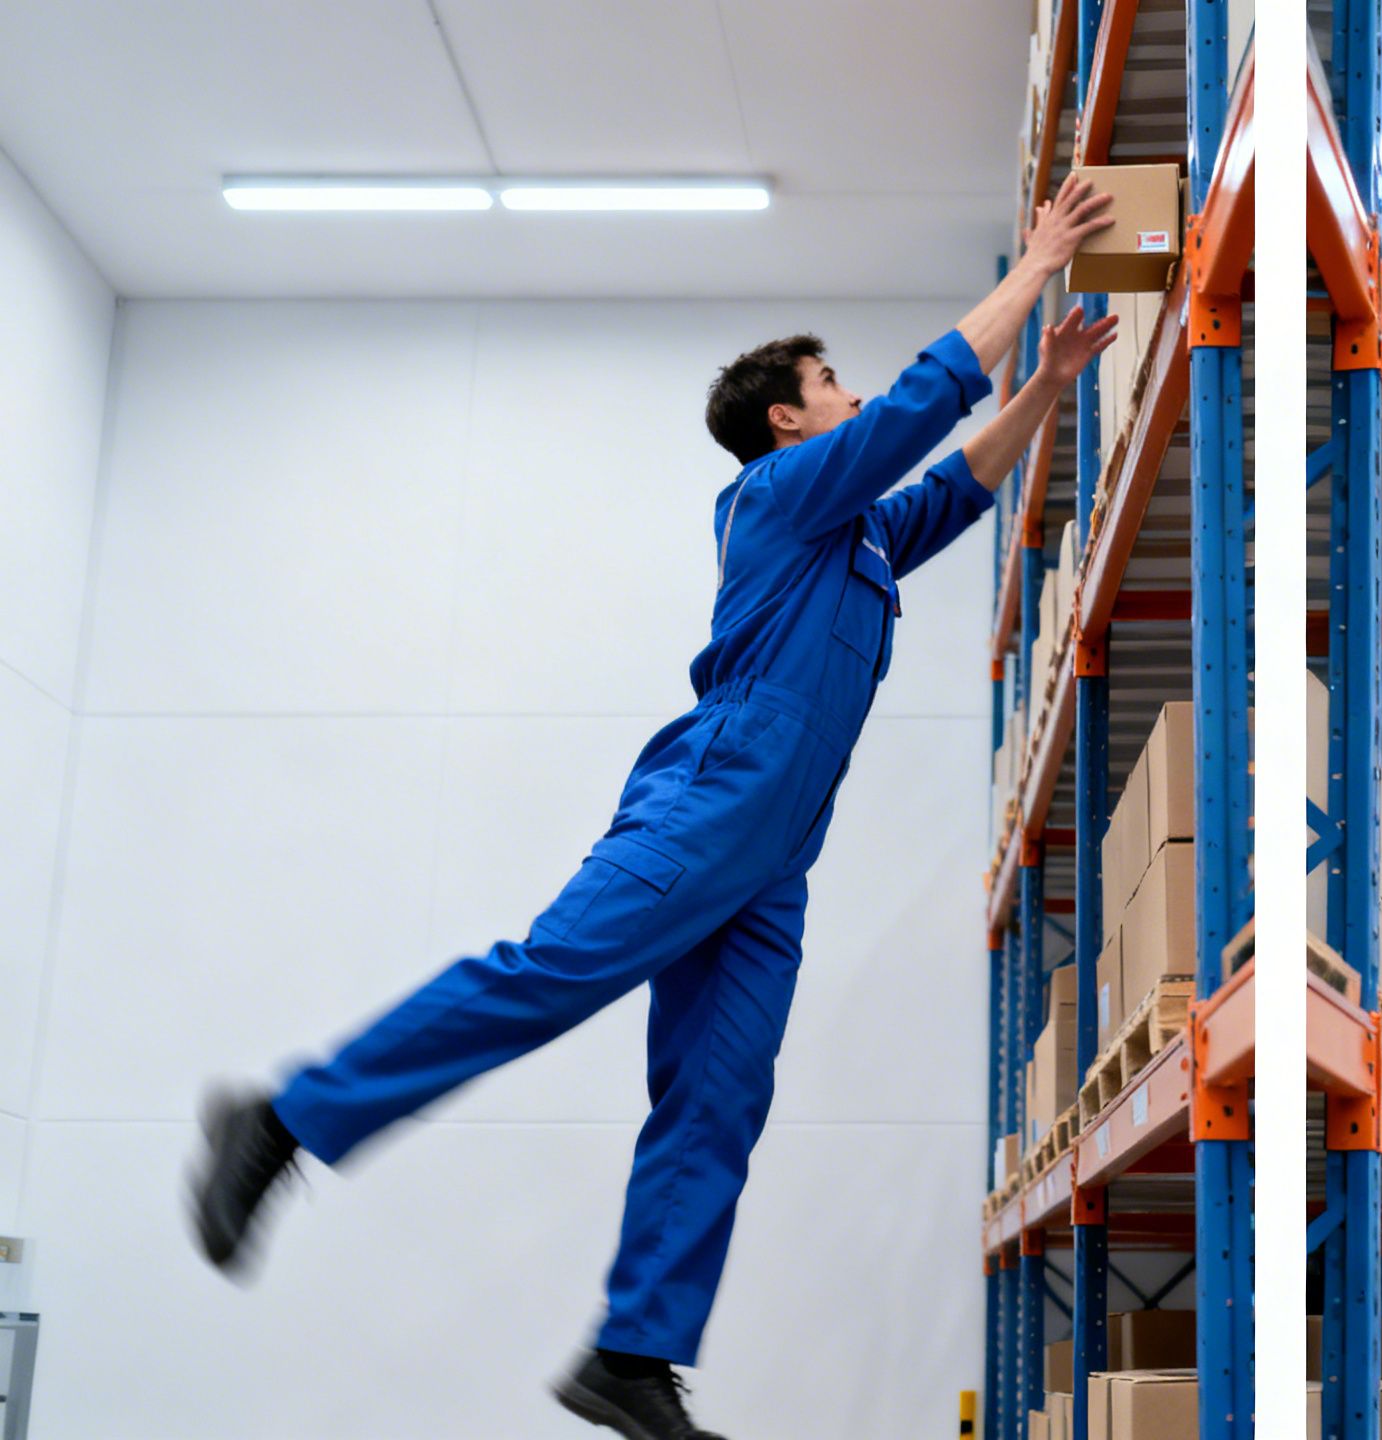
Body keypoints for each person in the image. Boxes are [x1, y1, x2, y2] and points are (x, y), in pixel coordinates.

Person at [186, 176, 1120, 1440]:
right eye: (830, 382)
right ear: (787, 420)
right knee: (543, 978)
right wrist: (1041, 261)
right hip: (710, 801)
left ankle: (630, 1353)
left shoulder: (851, 536)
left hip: (774, 855)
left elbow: (955, 487)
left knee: (720, 1095)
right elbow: (919, 408)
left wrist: (1047, 385)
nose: (849, 394)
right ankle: (284, 1120)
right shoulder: (778, 499)